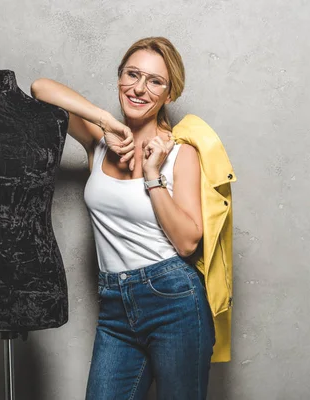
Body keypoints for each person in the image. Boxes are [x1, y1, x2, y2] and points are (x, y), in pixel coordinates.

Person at [31, 36, 215, 399]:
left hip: (174, 300)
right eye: (132, 75)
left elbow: (188, 242)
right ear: (119, 78)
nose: (139, 88)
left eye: (155, 81)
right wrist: (103, 120)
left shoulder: (180, 155)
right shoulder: (100, 142)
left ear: (169, 94)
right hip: (114, 303)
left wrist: (152, 175)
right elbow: (40, 89)